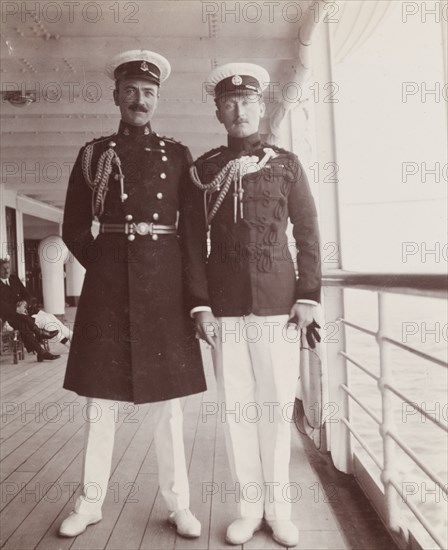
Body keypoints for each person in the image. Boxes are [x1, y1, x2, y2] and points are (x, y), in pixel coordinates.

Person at [59, 50, 206, 539]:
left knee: (168, 408)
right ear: (117, 96)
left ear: (157, 99)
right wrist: (103, 269)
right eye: (131, 92)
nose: (139, 101)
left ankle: (179, 504)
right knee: (100, 403)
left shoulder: (178, 155)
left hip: (164, 287)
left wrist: (192, 294)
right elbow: (76, 227)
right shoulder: (94, 154)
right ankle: (90, 502)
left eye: (148, 94)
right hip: (108, 289)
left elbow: (191, 234)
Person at [184, 63, 322, 547]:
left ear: (260, 107)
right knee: (237, 410)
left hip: (278, 308)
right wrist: (199, 306)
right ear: (219, 110)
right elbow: (191, 242)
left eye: (247, 101)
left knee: (276, 408)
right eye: (229, 102)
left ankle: (279, 511)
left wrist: (308, 297)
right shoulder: (203, 171)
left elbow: (307, 232)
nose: (239, 109)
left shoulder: (284, 164)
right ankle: (248, 509)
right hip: (224, 309)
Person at [0, 259, 60, 361]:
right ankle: (39, 334)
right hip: (6, 315)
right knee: (23, 323)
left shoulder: (14, 278)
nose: (7, 271)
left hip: (21, 313)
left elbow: (27, 294)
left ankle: (41, 351)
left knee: (24, 325)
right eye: (3, 269)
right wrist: (15, 308)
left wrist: (24, 303)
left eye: (8, 268)